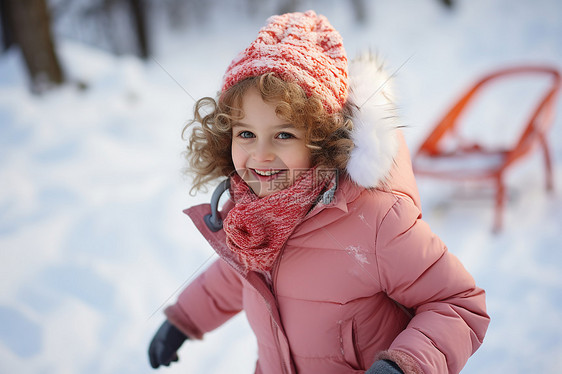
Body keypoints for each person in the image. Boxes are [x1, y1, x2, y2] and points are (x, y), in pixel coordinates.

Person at [148, 10, 489, 374]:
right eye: (246, 134)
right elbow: (236, 274)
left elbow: (457, 303)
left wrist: (406, 365)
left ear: (320, 139)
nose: (260, 154)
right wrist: (184, 318)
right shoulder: (249, 214)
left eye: (284, 134)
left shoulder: (375, 220)